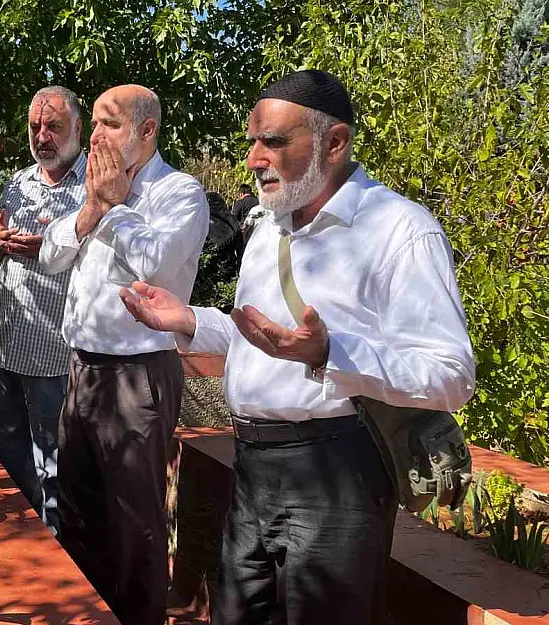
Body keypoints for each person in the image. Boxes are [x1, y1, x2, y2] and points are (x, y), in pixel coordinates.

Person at [120, 70, 475, 625]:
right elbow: (260, 338)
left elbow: (451, 373)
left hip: (337, 472)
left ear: (335, 142)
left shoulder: (400, 229)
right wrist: (188, 319)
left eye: (275, 142)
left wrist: (332, 354)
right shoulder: (269, 229)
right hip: (253, 469)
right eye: (252, 142)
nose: (255, 159)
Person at [39, 84, 209, 625]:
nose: (95, 137)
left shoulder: (179, 193)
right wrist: (91, 207)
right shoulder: (94, 192)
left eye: (109, 124)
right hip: (82, 371)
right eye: (93, 124)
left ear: (147, 131)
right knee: (78, 512)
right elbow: (49, 256)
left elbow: (155, 265)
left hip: (138, 377)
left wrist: (111, 208)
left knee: (135, 524)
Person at [0, 85, 86, 535]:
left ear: (78, 129)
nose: (42, 136)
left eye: (54, 127)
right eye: (35, 126)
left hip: (56, 361)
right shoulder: (17, 184)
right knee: (6, 464)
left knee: (56, 476)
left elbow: (110, 263)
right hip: (5, 355)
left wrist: (52, 247)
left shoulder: (95, 190)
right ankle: (17, 555)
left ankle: (58, 570)